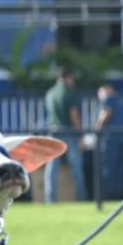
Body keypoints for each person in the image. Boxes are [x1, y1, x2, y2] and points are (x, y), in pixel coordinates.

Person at [43, 68, 88, 202]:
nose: (73, 81)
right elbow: (74, 114)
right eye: (72, 79)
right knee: (76, 167)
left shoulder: (50, 93)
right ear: (66, 78)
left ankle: (50, 199)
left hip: (53, 132)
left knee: (51, 169)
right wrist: (80, 134)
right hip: (69, 133)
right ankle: (82, 197)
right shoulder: (69, 93)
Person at [95, 85, 123, 198]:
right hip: (121, 139)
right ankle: (119, 195)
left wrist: (97, 129)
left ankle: (107, 196)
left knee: (108, 169)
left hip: (110, 139)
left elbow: (105, 115)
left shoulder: (108, 100)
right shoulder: (121, 101)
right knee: (119, 170)